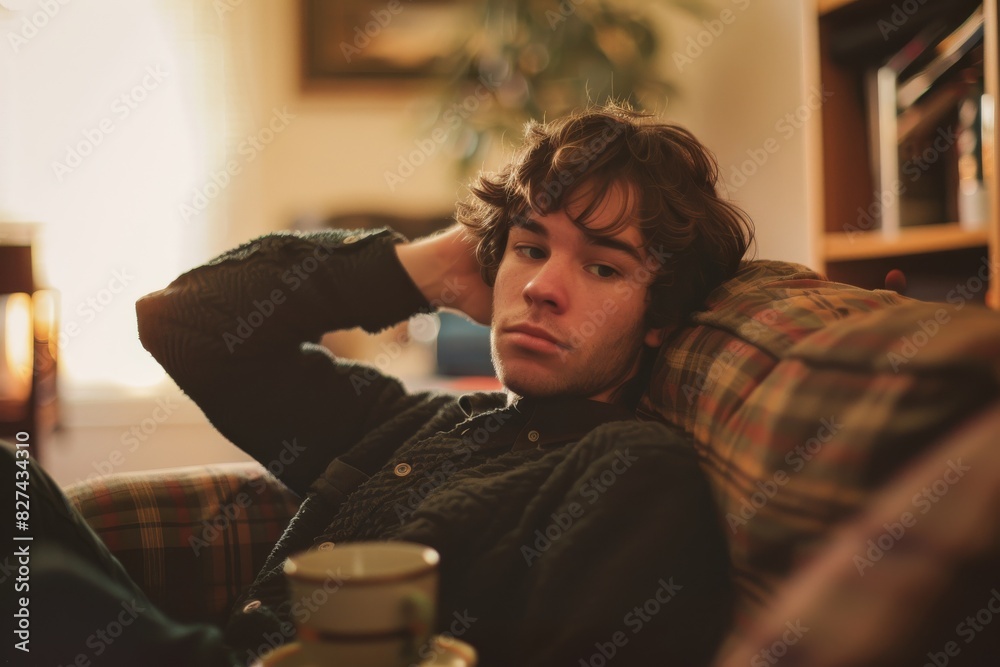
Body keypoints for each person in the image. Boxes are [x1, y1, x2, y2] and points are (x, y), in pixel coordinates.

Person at [4, 103, 753, 666]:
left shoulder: (631, 468)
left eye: (602, 266)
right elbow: (185, 322)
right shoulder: (410, 425)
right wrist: (419, 267)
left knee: (41, 592)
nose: (541, 288)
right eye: (528, 248)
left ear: (661, 314)